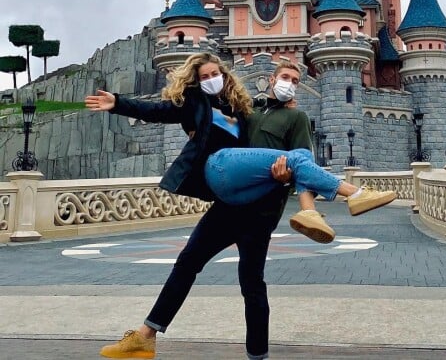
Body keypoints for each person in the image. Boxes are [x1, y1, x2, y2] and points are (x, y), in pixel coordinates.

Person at [86, 54, 396, 359]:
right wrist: (118, 103)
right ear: (271, 80)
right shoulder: (207, 104)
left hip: (257, 208)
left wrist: (288, 182)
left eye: (213, 74)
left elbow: (301, 167)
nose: (210, 80)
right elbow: (160, 110)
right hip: (221, 177)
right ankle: (354, 194)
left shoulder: (250, 110)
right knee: (190, 262)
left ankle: (254, 355)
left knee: (251, 282)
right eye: (204, 77)